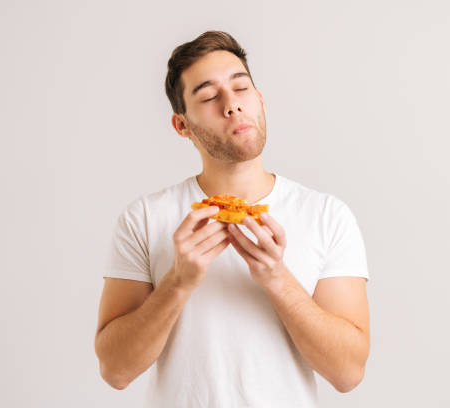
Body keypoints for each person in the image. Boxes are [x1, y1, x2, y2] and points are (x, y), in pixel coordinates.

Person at [94, 30, 371, 407]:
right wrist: (177, 283)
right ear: (182, 126)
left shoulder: (327, 215)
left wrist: (277, 279)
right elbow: (115, 370)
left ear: (260, 102)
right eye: (208, 96)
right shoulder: (144, 218)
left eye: (241, 89)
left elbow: (348, 372)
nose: (231, 105)